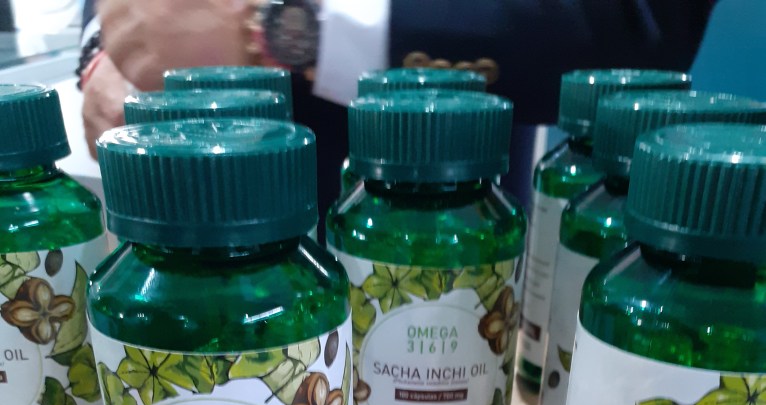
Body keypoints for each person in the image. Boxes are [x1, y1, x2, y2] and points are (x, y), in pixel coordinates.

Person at [79, 0, 717, 218]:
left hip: (439, 198)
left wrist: (293, 28)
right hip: (186, 187)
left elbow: (640, 22)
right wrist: (105, 46)